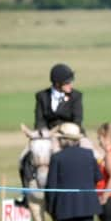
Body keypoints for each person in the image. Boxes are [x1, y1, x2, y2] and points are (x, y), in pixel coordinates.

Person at [18, 63, 85, 207]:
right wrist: (45, 133)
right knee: (24, 156)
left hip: (71, 135)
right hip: (47, 136)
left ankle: (91, 190)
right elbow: (39, 120)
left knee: (92, 153)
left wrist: (61, 133)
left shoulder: (76, 96)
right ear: (57, 83)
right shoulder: (42, 96)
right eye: (67, 82)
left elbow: (77, 121)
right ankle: (26, 194)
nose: (70, 85)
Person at [45, 122, 103, 221]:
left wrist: (50, 208)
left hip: (64, 207)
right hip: (87, 205)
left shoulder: (57, 158)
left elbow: (51, 187)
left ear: (64, 140)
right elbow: (98, 177)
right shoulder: (89, 154)